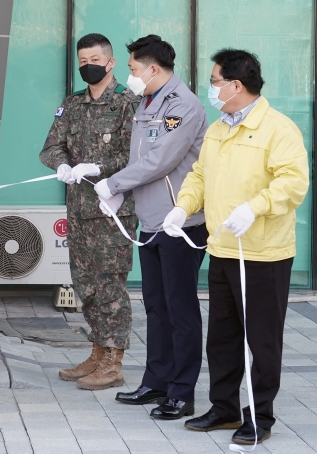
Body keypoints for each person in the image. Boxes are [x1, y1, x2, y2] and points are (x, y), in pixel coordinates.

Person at [163, 49, 309, 445]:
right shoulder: (219, 128)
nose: (211, 89)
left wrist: (255, 207)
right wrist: (182, 206)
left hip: (264, 253)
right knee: (223, 336)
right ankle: (224, 408)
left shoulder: (278, 129)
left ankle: (259, 416)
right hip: (223, 248)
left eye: (214, 82)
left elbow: (293, 183)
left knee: (260, 338)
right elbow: (198, 175)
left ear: (236, 85)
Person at [92, 35, 207, 419]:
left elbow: (161, 160)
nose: (131, 76)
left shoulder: (184, 106)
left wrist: (115, 183)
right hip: (151, 220)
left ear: (153, 69)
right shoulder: (147, 103)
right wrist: (122, 196)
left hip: (181, 223)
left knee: (181, 309)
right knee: (156, 307)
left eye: (133, 69)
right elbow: (141, 159)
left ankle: (181, 391)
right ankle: (156, 381)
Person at [40, 33, 139, 390]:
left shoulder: (128, 103)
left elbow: (135, 156)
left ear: (110, 63)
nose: (88, 66)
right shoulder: (74, 103)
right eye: (83, 62)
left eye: (94, 60)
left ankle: (114, 362)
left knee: (110, 288)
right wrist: (63, 166)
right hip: (80, 212)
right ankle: (97, 353)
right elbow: (51, 146)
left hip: (112, 213)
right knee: (87, 287)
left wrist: (98, 167)